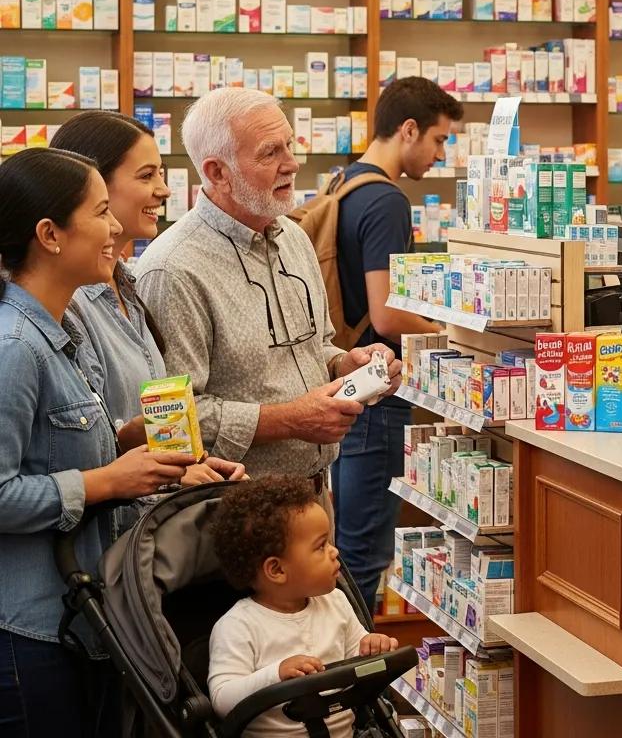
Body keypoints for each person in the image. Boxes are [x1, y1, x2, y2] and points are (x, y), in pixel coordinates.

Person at [0, 148, 195, 736]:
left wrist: (128, 440)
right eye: (101, 212)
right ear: (50, 235)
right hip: (30, 634)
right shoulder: (15, 347)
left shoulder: (65, 328)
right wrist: (105, 481)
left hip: (87, 617)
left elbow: (51, 442)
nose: (116, 228)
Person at [135, 88, 399, 515]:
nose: (292, 164)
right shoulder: (173, 269)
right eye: (270, 153)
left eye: (290, 146)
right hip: (233, 511)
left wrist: (346, 364)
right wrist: (290, 419)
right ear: (217, 172)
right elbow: (170, 422)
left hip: (314, 495)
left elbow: (319, 346)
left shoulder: (292, 237)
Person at [51, 111, 244, 487]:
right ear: (92, 187)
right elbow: (75, 454)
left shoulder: (128, 285)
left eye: (160, 172)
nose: (165, 189)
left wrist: (189, 462)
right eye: (146, 175)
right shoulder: (67, 304)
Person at [331, 77, 463, 611]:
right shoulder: (385, 200)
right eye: (438, 139)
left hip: (347, 383)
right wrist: (449, 336)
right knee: (364, 553)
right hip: (376, 390)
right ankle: (350, 678)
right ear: (408, 130)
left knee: (349, 545)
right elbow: (386, 315)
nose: (440, 153)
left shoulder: (345, 181)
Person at [207, 475, 398, 737]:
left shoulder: (335, 603)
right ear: (276, 569)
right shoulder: (238, 626)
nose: (335, 552)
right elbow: (222, 698)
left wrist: (373, 646)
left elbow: (356, 652)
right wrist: (276, 674)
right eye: (321, 546)